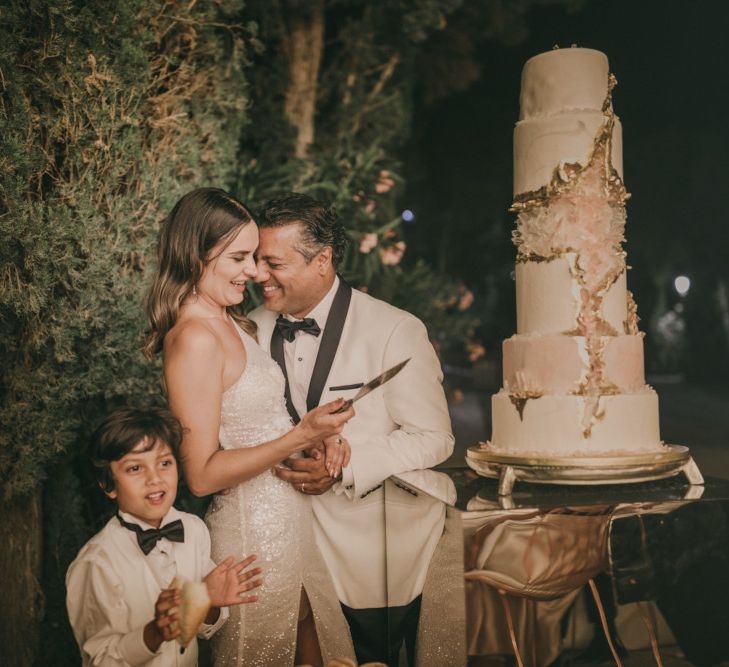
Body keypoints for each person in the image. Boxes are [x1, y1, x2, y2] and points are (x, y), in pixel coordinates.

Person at [144, 187, 356, 666]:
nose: (256, 272)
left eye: (257, 258)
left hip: (290, 523)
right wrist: (298, 437)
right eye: (240, 258)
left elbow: (259, 427)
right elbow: (200, 474)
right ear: (198, 256)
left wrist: (316, 441)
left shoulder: (232, 322)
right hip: (251, 539)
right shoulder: (194, 337)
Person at [250, 193, 454, 664]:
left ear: (322, 261)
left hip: (369, 553)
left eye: (273, 262)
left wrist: (346, 464)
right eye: (257, 260)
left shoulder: (395, 330)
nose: (258, 274)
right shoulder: (247, 328)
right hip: (278, 544)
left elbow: (435, 437)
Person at [66, 406, 263, 666]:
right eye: (135, 468)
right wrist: (155, 632)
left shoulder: (193, 530)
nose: (155, 479)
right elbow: (100, 660)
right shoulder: (96, 564)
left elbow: (205, 629)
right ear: (108, 485)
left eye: (164, 463)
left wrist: (208, 600)